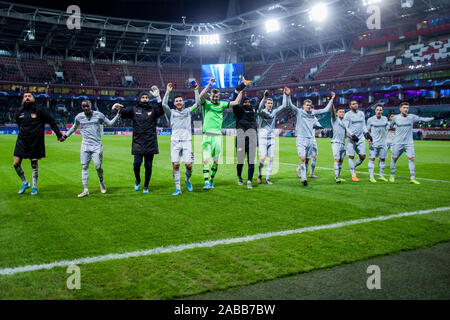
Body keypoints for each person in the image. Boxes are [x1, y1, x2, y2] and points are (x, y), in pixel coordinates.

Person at [63, 100, 121, 197]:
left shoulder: (99, 115)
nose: (86, 108)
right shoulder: (79, 117)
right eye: (84, 107)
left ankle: (101, 182)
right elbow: (74, 127)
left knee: (98, 167)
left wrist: (118, 114)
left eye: (87, 106)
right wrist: (65, 136)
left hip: (96, 146)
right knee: (84, 167)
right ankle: (85, 190)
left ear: (91, 106)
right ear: (82, 107)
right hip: (85, 145)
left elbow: (110, 124)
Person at [13, 91, 64, 195]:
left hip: (35, 142)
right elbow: (18, 123)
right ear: (23, 99)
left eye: (29, 96)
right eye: (25, 96)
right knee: (16, 164)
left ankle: (34, 187)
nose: (27, 98)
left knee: (34, 165)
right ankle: (25, 183)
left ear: (33, 98)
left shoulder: (40, 110)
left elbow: (51, 121)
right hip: (22, 141)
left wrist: (58, 134)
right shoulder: (19, 111)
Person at [199, 78, 243, 190]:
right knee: (205, 160)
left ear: (218, 96)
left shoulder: (222, 104)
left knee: (215, 161)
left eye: (216, 96)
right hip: (206, 135)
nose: (214, 98)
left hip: (217, 136)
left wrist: (241, 92)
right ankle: (206, 182)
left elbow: (236, 102)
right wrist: (209, 85)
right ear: (210, 97)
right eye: (213, 96)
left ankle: (211, 180)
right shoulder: (206, 104)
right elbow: (200, 96)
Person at [120, 86, 164, 193]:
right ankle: (138, 180)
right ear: (140, 99)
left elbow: (162, 110)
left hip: (150, 141)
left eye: (146, 97)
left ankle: (146, 186)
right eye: (143, 97)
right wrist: (118, 108)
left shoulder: (153, 109)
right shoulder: (134, 110)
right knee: (136, 164)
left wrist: (158, 97)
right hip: (138, 142)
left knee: (148, 166)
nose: (145, 99)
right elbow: (123, 113)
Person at [288, 92, 335, 186]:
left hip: (310, 139)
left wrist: (332, 99)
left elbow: (326, 109)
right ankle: (303, 178)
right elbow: (290, 105)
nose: (308, 106)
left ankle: (303, 173)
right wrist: (287, 95)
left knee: (307, 160)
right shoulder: (299, 112)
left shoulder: (313, 113)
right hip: (301, 138)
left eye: (310, 105)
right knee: (302, 158)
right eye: (307, 105)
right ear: (303, 106)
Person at [162, 82, 200, 196]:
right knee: (176, 165)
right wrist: (168, 91)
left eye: (180, 100)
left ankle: (187, 180)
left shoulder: (188, 111)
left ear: (183, 102)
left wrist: (196, 90)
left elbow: (197, 103)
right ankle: (178, 188)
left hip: (187, 141)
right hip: (175, 142)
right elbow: (164, 105)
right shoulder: (171, 113)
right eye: (177, 101)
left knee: (189, 165)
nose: (179, 102)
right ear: (174, 103)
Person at [389, 102, 433, 184]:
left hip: (409, 143)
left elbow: (422, 119)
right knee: (394, 159)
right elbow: (390, 126)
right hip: (398, 142)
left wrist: (432, 118)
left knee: (411, 159)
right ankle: (392, 175)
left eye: (407, 108)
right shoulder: (396, 118)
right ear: (400, 109)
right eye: (404, 107)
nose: (406, 109)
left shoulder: (411, 117)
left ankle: (412, 177)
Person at [257, 88, 289, 184]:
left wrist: (285, 95)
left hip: (271, 137)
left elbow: (283, 105)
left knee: (271, 158)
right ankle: (259, 174)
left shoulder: (274, 112)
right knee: (262, 158)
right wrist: (264, 97)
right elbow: (258, 108)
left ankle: (267, 178)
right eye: (268, 103)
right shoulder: (261, 112)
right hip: (262, 137)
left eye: (271, 103)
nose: (270, 105)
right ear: (265, 104)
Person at [232, 84, 258, 189]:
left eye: (248, 102)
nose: (247, 103)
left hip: (251, 140)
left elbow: (258, 105)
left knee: (251, 162)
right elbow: (235, 104)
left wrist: (264, 97)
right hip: (241, 141)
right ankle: (239, 176)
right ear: (242, 103)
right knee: (240, 162)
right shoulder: (239, 112)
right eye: (245, 102)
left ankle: (249, 181)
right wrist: (237, 91)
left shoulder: (252, 112)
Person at [343, 100, 373, 182]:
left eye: (356, 103)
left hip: (361, 138)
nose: (355, 105)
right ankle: (353, 176)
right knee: (351, 156)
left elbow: (363, 124)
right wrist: (352, 135)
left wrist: (367, 133)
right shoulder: (347, 115)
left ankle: (354, 166)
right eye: (353, 104)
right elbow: (346, 127)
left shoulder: (361, 113)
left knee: (362, 156)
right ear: (350, 106)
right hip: (351, 139)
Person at [330, 103, 358, 183]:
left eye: (343, 112)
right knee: (337, 159)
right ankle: (337, 177)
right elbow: (332, 112)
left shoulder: (345, 123)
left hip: (342, 143)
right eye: (340, 112)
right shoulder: (335, 120)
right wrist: (332, 103)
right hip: (335, 143)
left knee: (341, 160)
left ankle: (338, 176)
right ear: (337, 113)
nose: (342, 113)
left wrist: (352, 137)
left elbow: (345, 133)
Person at [366, 104, 389, 183]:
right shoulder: (370, 120)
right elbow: (367, 131)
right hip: (374, 143)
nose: (379, 111)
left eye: (380, 110)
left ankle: (381, 176)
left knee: (382, 159)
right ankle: (371, 177)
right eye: (377, 110)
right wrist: (369, 139)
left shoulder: (385, 119)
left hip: (383, 143)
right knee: (372, 158)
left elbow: (387, 129)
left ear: (382, 111)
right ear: (375, 110)